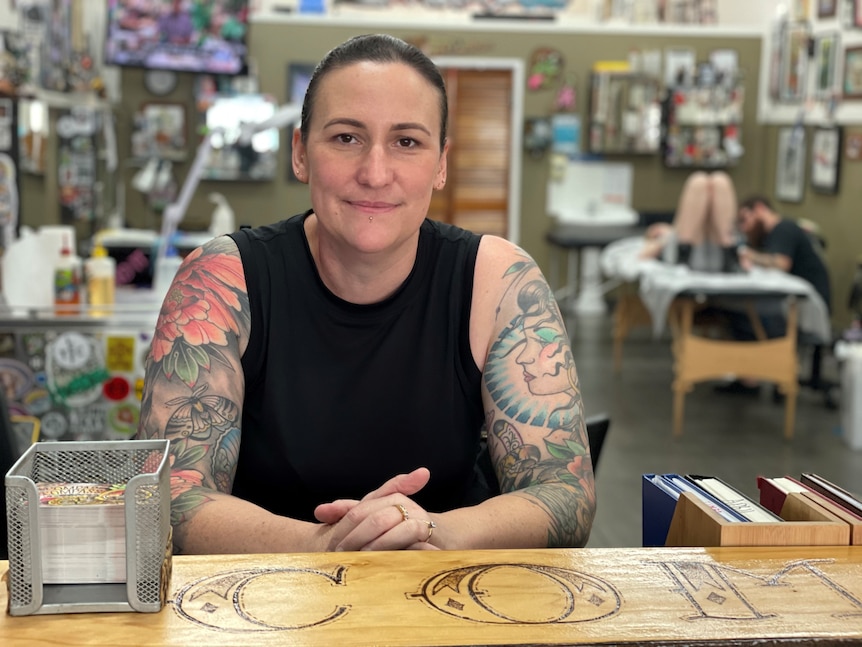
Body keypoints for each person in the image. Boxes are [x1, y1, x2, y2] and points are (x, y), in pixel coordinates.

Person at [135, 34, 596, 555]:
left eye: (407, 142)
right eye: (347, 138)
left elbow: (565, 494)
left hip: (444, 596)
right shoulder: (221, 281)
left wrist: (432, 532)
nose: (375, 173)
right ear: (300, 152)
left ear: (440, 163)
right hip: (263, 605)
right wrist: (327, 544)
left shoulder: (499, 282)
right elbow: (168, 498)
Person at [714, 194, 832, 394]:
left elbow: (781, 263)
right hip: (796, 303)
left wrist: (748, 255)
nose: (744, 227)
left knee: (740, 315)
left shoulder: (783, 229)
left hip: (805, 309)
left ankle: (753, 379)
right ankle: (751, 377)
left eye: (745, 219)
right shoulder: (775, 234)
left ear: (759, 209)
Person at [639, 170, 741, 272]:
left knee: (718, 180)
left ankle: (727, 252)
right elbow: (644, 253)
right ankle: (726, 252)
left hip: (711, 252)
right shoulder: (665, 236)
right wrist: (662, 239)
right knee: (702, 181)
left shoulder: (673, 230)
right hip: (702, 253)